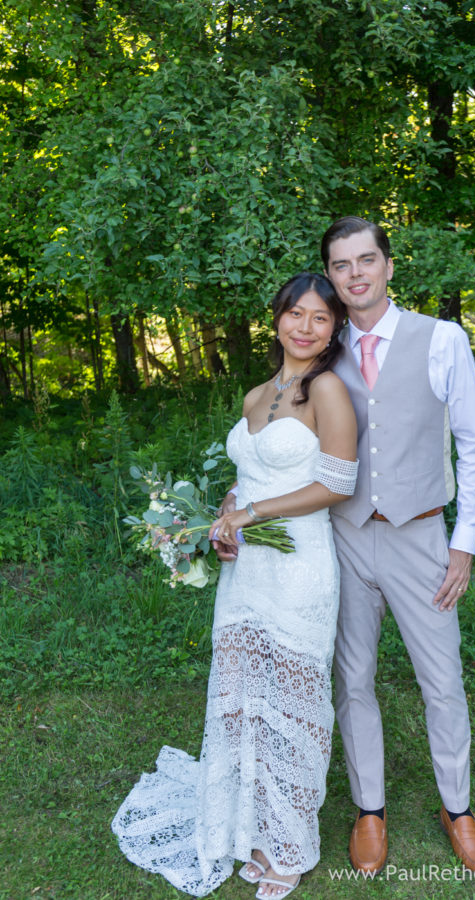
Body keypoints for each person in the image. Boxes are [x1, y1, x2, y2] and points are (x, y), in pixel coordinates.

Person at [111, 272, 358, 899]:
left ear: (334, 329)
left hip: (299, 566)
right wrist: (221, 520)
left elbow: (337, 484)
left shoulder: (327, 390)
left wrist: (251, 516)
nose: (304, 327)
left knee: (293, 705)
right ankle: (250, 825)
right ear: (275, 318)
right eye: (294, 314)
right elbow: (248, 477)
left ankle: (289, 845)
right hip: (245, 568)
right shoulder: (257, 393)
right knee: (246, 697)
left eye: (319, 318)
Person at [321, 216, 475, 875]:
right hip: (342, 536)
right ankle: (370, 809)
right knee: (352, 678)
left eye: (367, 259)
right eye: (342, 265)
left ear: (389, 266)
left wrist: (463, 545)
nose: (356, 273)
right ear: (332, 277)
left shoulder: (442, 340)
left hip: (422, 537)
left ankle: (458, 809)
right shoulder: (323, 344)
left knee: (442, 681)